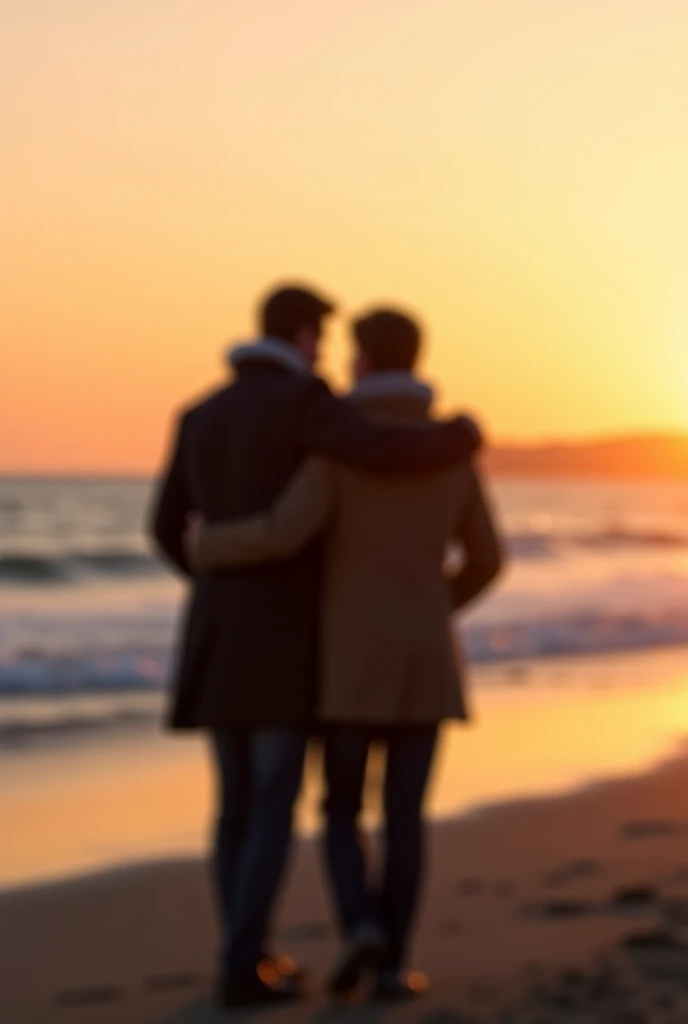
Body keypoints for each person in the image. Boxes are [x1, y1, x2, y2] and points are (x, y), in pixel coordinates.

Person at [150, 285, 481, 1009]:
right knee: (330, 806)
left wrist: (210, 568)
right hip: (337, 650)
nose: (328, 357)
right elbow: (393, 462)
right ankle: (329, 961)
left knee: (257, 807)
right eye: (321, 341)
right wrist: (460, 438)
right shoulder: (314, 409)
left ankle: (265, 948)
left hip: (235, 640)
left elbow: (183, 527)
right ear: (303, 337)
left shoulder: (200, 414)